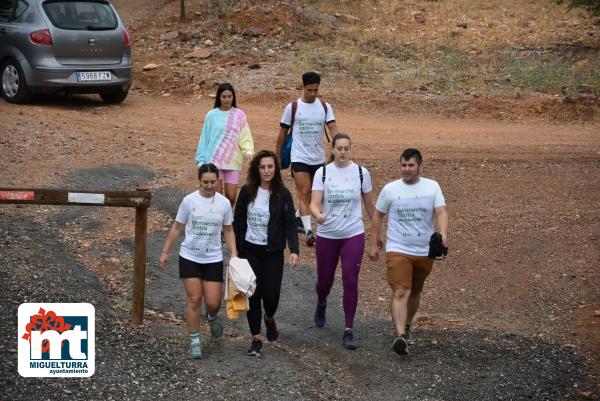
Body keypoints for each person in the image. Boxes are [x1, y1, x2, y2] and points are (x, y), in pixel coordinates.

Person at [368, 148, 448, 356]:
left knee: (415, 291)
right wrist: (374, 242)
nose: (407, 169)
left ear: (420, 166)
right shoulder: (391, 189)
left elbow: (441, 211)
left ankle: (408, 326)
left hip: (425, 250)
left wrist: (444, 234)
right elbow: (377, 216)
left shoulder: (432, 187)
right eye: (403, 165)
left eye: (411, 165)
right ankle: (400, 335)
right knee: (401, 291)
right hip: (398, 249)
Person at [159, 163, 238, 359]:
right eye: (205, 182)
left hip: (213, 258)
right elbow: (177, 226)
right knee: (194, 299)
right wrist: (165, 251)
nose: (209, 186)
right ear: (199, 181)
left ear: (218, 181)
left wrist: (234, 253)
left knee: (213, 302)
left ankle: (211, 317)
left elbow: (228, 229)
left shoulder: (224, 204)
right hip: (190, 257)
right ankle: (195, 341)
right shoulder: (189, 201)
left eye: (213, 182)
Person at [309, 133, 376, 350]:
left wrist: (377, 233)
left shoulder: (360, 173)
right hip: (327, 234)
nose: (343, 152)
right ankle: (321, 301)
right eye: (339, 148)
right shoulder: (323, 172)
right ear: (332, 149)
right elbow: (313, 203)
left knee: (350, 279)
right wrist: (318, 215)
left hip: (353, 233)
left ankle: (348, 329)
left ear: (351, 149)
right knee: (324, 281)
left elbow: (370, 205)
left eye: (347, 148)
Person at [233, 150, 299, 356]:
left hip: (273, 252)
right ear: (257, 169)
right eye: (263, 167)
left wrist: (294, 250)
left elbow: (290, 224)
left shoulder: (282, 193)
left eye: (270, 167)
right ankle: (256, 339)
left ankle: (269, 318)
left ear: (275, 169)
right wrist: (235, 252)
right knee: (252, 293)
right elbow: (238, 222)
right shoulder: (246, 192)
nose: (267, 171)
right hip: (249, 250)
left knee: (271, 294)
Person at [275, 71, 338, 246]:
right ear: (303, 87)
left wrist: (340, 145)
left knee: (315, 193)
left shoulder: (325, 107)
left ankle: (298, 217)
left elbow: (333, 128)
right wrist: (277, 156)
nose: (312, 94)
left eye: (316, 90)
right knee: (304, 191)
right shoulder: (292, 107)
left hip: (318, 158)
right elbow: (282, 134)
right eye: (309, 90)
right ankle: (309, 231)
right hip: (299, 156)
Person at [195, 83, 255, 206]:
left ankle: (227, 219)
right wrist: (200, 160)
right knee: (216, 197)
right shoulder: (211, 115)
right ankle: (218, 223)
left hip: (233, 162)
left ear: (233, 97)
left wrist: (248, 151)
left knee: (231, 197)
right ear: (219, 97)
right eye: (224, 96)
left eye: (229, 96)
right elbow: (204, 138)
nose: (227, 99)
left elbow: (245, 135)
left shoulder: (239, 115)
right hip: (214, 162)